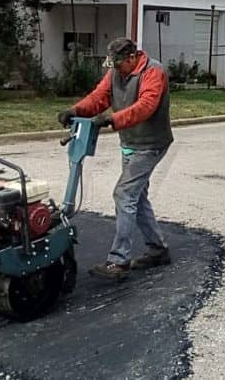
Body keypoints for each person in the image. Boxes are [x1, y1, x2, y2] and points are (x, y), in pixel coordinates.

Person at [57, 38, 173, 281]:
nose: (116, 69)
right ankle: (158, 249)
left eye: (119, 64)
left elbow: (146, 106)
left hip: (151, 144)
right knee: (136, 196)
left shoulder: (154, 72)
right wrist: (76, 110)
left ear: (132, 58)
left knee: (124, 194)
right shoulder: (115, 73)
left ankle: (118, 261)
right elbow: (99, 96)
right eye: (114, 65)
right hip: (130, 143)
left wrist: (113, 119)